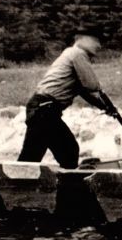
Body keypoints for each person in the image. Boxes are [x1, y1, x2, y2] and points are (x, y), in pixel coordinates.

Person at [18, 31, 115, 168]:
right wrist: (106, 103)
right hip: (45, 109)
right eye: (95, 40)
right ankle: (70, 185)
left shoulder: (70, 54)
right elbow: (91, 85)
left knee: (31, 156)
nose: (99, 45)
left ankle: (18, 183)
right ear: (81, 39)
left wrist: (105, 107)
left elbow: (83, 90)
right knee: (68, 150)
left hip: (41, 108)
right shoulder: (78, 54)